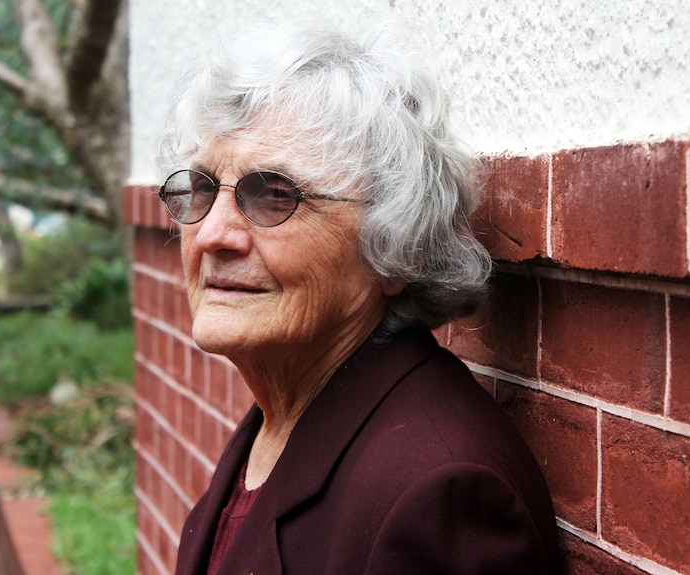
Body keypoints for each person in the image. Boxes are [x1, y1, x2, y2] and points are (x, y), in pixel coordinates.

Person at [157, 15, 560, 575]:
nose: (212, 233)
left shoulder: (439, 496)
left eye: (273, 194)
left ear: (392, 248)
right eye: (202, 189)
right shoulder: (282, 414)